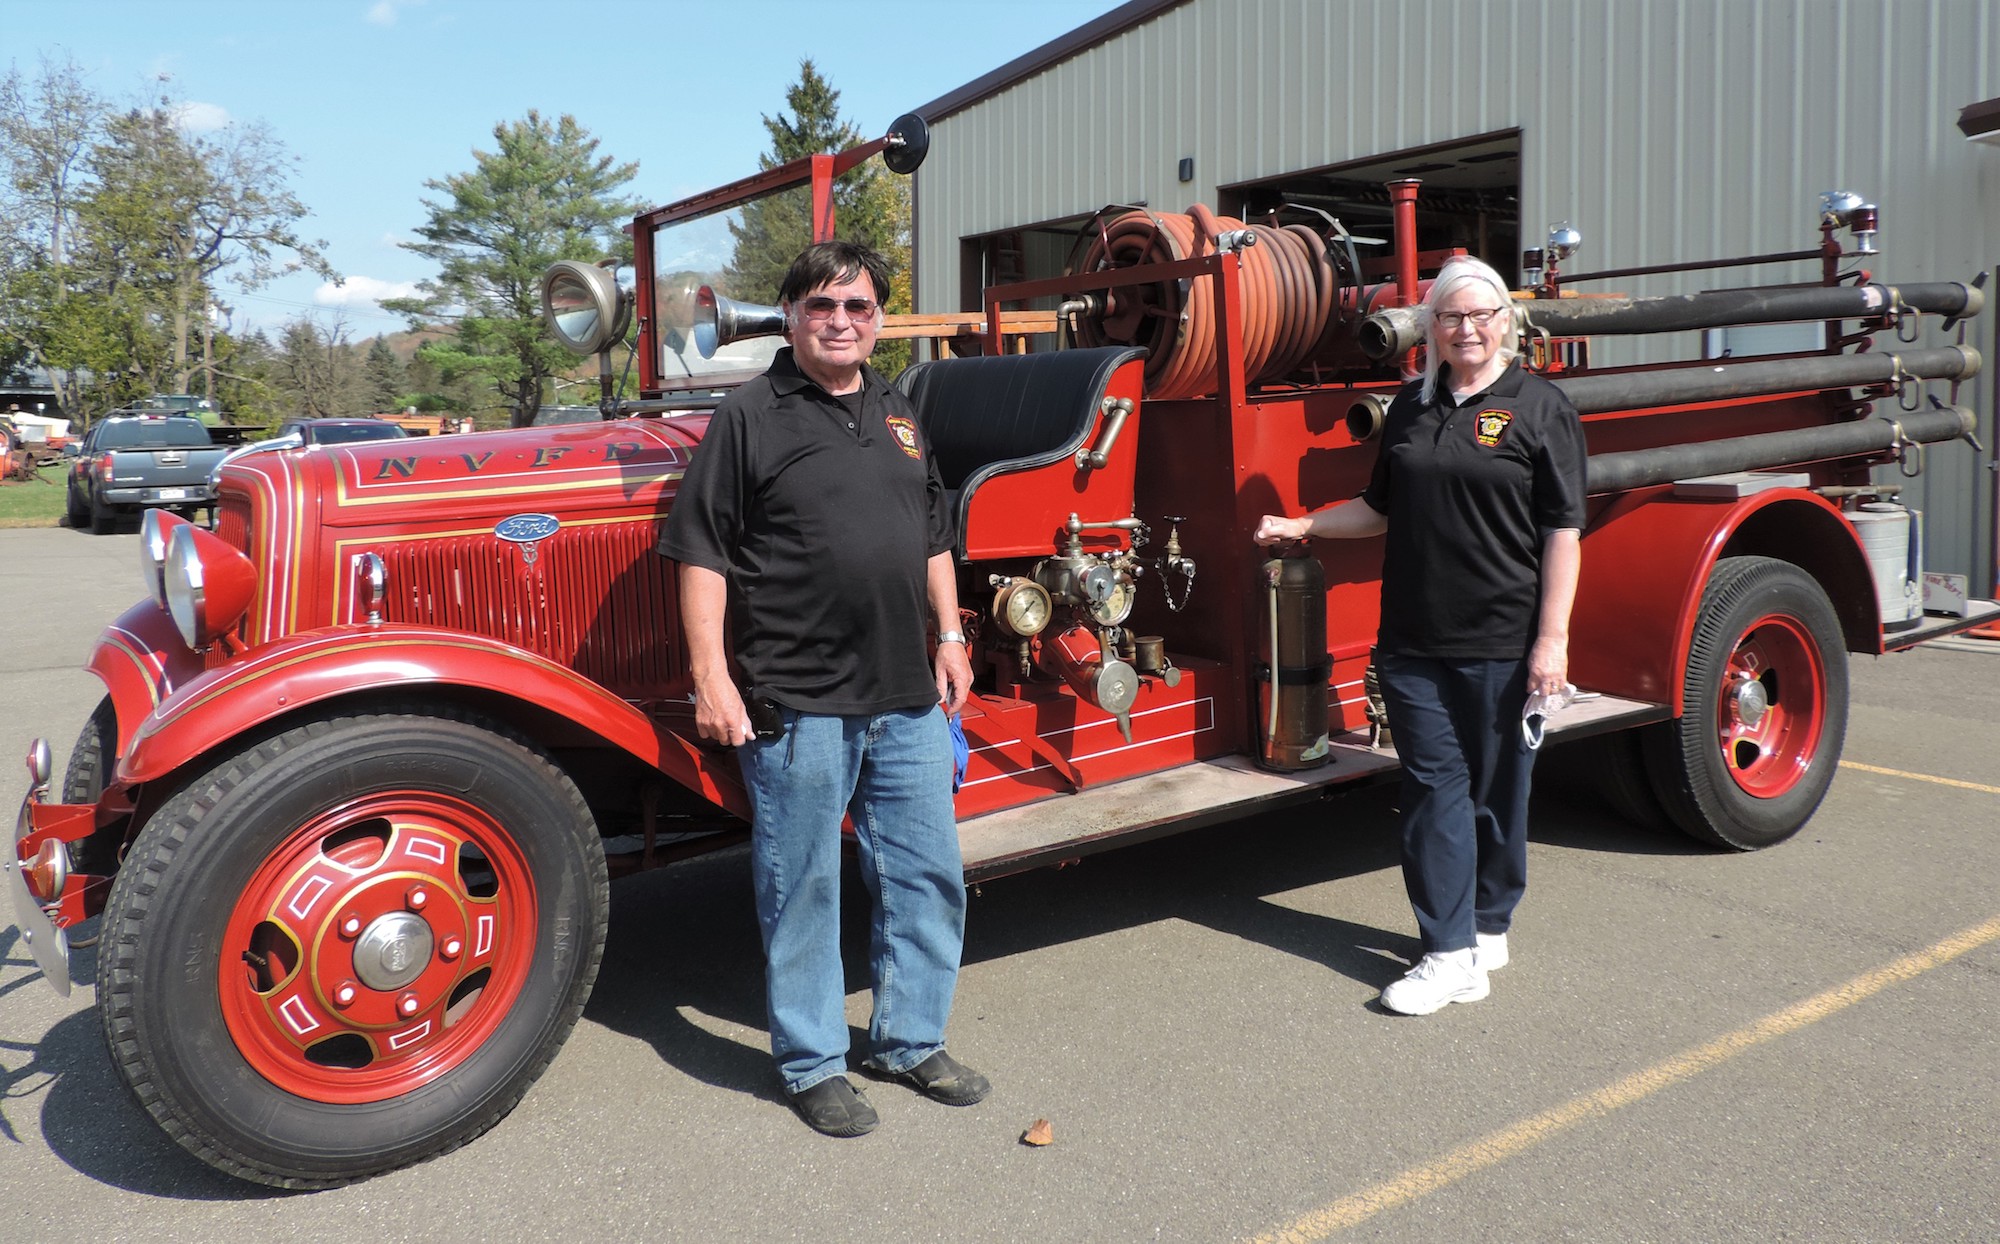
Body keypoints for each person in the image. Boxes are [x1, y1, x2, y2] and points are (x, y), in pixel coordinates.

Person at [659, 240, 988, 1136]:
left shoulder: (897, 410)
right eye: (821, 306)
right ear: (793, 315)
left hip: (907, 693)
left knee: (926, 873)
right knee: (801, 885)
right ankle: (810, 1062)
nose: (840, 321)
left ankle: (911, 1041)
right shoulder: (749, 415)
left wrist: (951, 636)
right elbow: (701, 554)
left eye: (858, 307)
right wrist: (710, 678)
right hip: (797, 699)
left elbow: (931, 535)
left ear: (878, 319)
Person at [1255, 255, 1586, 1016]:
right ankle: (1447, 952)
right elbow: (1379, 508)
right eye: (1449, 317)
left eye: (1480, 315)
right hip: (1412, 642)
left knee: (1502, 792)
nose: (1465, 329)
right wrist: (1303, 525)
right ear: (1428, 328)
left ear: (1506, 321)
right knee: (1435, 791)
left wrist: (1552, 641)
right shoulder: (1411, 407)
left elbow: (1563, 530)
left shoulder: (1540, 408)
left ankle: (1490, 916)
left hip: (1504, 638)